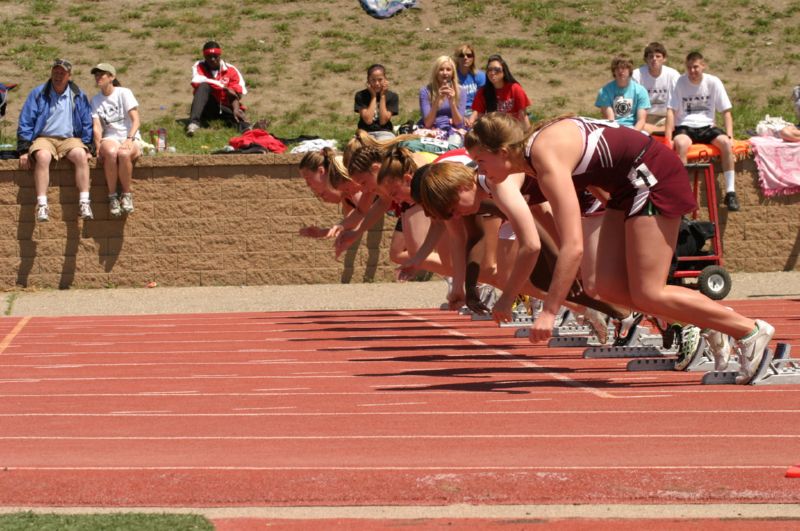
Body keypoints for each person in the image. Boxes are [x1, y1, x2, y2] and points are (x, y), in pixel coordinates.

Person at [458, 111, 774, 384]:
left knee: (648, 292)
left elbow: (573, 246)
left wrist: (550, 312)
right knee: (602, 285)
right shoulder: (533, 155)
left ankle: (748, 329)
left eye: (481, 161)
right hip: (627, 185)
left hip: (650, 177)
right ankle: (711, 318)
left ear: (502, 151)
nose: (480, 171)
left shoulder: (543, 157)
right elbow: (598, 164)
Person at [17, 58, 95, 222]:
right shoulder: (38, 93)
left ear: (69, 76)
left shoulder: (78, 94)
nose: (58, 75)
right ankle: (42, 205)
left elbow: (87, 121)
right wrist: (24, 150)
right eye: (56, 72)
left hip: (69, 138)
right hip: (44, 138)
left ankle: (84, 202)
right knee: (43, 157)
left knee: (81, 156)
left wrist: (88, 146)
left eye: (62, 73)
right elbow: (26, 120)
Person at [665, 52, 739, 211]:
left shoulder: (713, 82)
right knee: (680, 143)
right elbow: (671, 110)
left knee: (725, 143)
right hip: (685, 125)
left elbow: (726, 111)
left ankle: (731, 192)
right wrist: (668, 138)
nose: (692, 71)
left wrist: (730, 136)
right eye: (689, 68)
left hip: (707, 126)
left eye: (696, 67)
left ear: (703, 66)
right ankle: (682, 193)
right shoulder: (679, 82)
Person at [90, 63, 140, 217]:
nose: (98, 78)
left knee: (124, 154)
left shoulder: (124, 93)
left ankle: (126, 195)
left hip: (129, 136)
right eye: (96, 75)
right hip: (110, 137)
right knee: (111, 153)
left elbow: (136, 120)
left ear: (111, 77)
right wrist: (98, 147)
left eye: (101, 75)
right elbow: (97, 127)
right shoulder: (95, 100)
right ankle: (112, 196)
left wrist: (129, 139)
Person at [187, 41, 249, 136]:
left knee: (237, 116)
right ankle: (194, 124)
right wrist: (223, 87)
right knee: (204, 86)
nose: (212, 59)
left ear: (220, 55)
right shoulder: (199, 66)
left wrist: (236, 109)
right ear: (204, 56)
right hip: (208, 106)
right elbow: (197, 80)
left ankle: (249, 129)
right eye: (209, 56)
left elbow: (237, 92)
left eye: (215, 56)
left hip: (224, 107)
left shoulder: (231, 70)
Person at [467, 55, 531, 128]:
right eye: (489, 70)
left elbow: (523, 115)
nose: (492, 73)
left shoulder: (515, 88)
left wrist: (528, 135)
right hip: (494, 130)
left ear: (504, 71)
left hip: (513, 129)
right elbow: (479, 116)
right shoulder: (483, 92)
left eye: (496, 70)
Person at [632, 42, 680, 134]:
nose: (654, 59)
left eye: (658, 56)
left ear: (664, 58)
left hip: (665, 117)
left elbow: (679, 101)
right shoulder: (636, 75)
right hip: (643, 117)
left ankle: (655, 131)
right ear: (645, 59)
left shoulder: (673, 75)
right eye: (651, 56)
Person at [418, 56, 467, 145]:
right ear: (436, 72)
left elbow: (459, 124)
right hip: (432, 129)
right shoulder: (425, 91)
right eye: (441, 69)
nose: (445, 73)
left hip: (453, 129)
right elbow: (428, 123)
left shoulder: (461, 91)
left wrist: (452, 102)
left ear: (453, 73)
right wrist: (437, 101)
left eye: (448, 70)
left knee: (455, 141)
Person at [594, 54, 650, 131]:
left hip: (634, 129)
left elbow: (641, 120)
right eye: (617, 68)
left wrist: (632, 135)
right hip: (613, 129)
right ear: (613, 71)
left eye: (624, 68)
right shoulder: (604, 92)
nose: (621, 71)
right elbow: (610, 119)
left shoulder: (641, 91)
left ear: (630, 70)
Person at [354, 64, 399, 140]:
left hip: (385, 132)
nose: (377, 83)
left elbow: (383, 121)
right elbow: (368, 120)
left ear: (385, 79)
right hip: (365, 132)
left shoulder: (392, 96)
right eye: (373, 80)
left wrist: (382, 96)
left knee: (384, 145)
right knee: (361, 147)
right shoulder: (360, 95)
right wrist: (373, 96)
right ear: (368, 80)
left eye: (380, 80)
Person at [454, 44, 485, 117]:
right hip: (457, 111)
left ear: (473, 58)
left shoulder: (480, 76)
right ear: (457, 58)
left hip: (475, 111)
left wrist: (473, 117)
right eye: (461, 55)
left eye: (469, 55)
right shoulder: (452, 76)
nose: (465, 58)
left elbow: (482, 100)